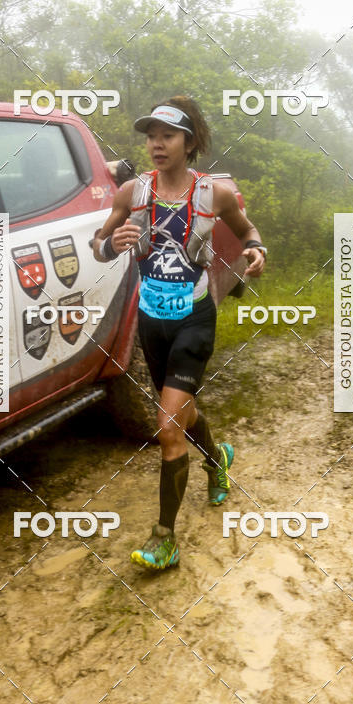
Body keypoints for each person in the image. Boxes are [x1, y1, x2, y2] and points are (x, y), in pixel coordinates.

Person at [92, 96, 266, 570]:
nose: (156, 144)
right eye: (150, 136)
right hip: (151, 320)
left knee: (167, 425)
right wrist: (112, 244)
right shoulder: (132, 191)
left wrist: (256, 251)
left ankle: (164, 540)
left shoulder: (215, 194)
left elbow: (248, 231)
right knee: (182, 412)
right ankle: (217, 459)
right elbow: (98, 245)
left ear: (188, 143)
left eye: (166, 136)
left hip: (193, 318)